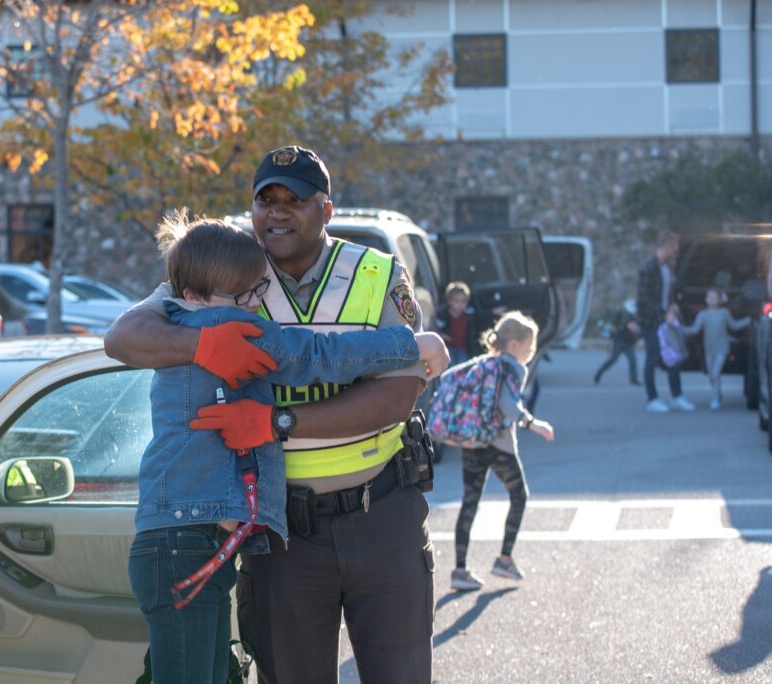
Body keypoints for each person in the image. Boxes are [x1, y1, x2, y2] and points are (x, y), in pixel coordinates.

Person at [106, 145, 439, 683]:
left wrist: (278, 424)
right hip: (287, 536)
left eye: (295, 200)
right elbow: (124, 336)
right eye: (267, 199)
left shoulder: (375, 272)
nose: (278, 211)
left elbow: (397, 398)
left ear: (325, 210)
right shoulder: (229, 269)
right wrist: (201, 348)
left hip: (382, 515)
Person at [451, 312, 555, 592]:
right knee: (519, 496)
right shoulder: (511, 367)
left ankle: (459, 570)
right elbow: (507, 403)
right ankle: (504, 559)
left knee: (469, 504)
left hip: (472, 442)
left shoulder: (483, 363)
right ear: (514, 345)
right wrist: (532, 423)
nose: (531, 353)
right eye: (529, 347)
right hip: (498, 445)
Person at [638, 232, 695, 412]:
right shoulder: (648, 268)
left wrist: (672, 306)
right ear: (667, 247)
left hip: (666, 321)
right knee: (653, 358)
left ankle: (677, 396)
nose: (676, 252)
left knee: (674, 357)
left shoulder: (667, 269)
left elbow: (667, 294)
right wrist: (664, 313)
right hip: (651, 322)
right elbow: (644, 300)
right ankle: (652, 399)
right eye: (675, 248)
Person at [682, 288, 751, 410]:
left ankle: (715, 400)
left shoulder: (724, 313)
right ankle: (718, 393)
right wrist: (679, 328)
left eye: (715, 297)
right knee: (711, 374)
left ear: (720, 300)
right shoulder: (702, 315)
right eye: (709, 297)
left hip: (722, 347)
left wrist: (748, 320)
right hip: (709, 349)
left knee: (715, 373)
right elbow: (694, 329)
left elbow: (734, 326)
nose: (712, 300)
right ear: (706, 299)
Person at [594, 298, 642, 386]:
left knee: (633, 360)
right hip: (620, 341)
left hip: (629, 343)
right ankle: (599, 373)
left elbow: (638, 330)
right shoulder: (620, 314)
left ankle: (633, 379)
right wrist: (607, 334)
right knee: (613, 359)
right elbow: (612, 327)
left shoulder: (636, 317)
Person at [436, 281, 478, 366]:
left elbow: (481, 316)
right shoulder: (443, 314)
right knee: (450, 365)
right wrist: (441, 335)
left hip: (463, 347)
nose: (460, 304)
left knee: (461, 366)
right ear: (449, 301)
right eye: (457, 301)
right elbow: (437, 328)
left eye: (463, 301)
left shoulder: (469, 314)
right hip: (448, 347)